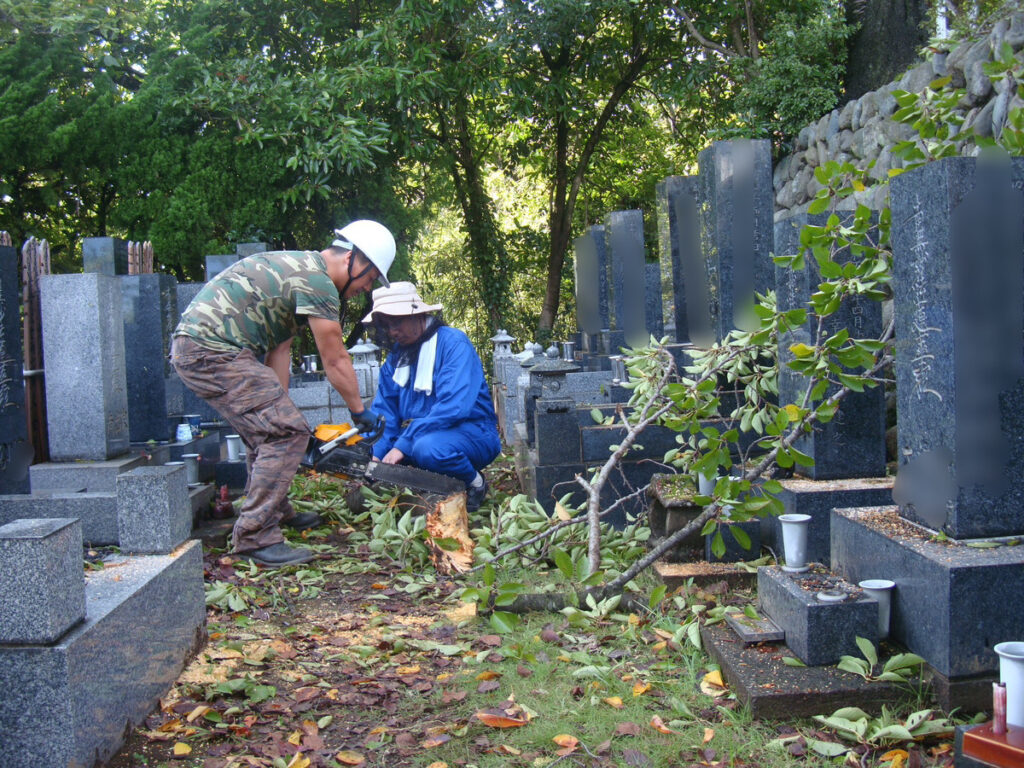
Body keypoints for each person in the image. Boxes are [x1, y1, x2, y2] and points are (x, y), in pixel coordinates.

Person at [171, 220, 395, 567]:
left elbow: (279, 352)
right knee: (286, 431)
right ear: (354, 258)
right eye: (368, 278)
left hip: (203, 349)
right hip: (211, 351)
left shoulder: (298, 271)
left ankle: (274, 511)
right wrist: (358, 411)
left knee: (272, 429)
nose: (365, 288)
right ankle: (254, 536)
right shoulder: (318, 282)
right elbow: (334, 357)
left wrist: (283, 409)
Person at [363, 282, 501, 511]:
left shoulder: (453, 343)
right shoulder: (396, 358)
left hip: (471, 432)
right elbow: (385, 410)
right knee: (398, 455)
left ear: (417, 314)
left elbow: (454, 407)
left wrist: (403, 445)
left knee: (428, 449)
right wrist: (375, 454)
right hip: (418, 437)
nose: (392, 331)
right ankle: (432, 487)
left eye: (396, 322)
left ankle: (475, 483)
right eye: (386, 325)